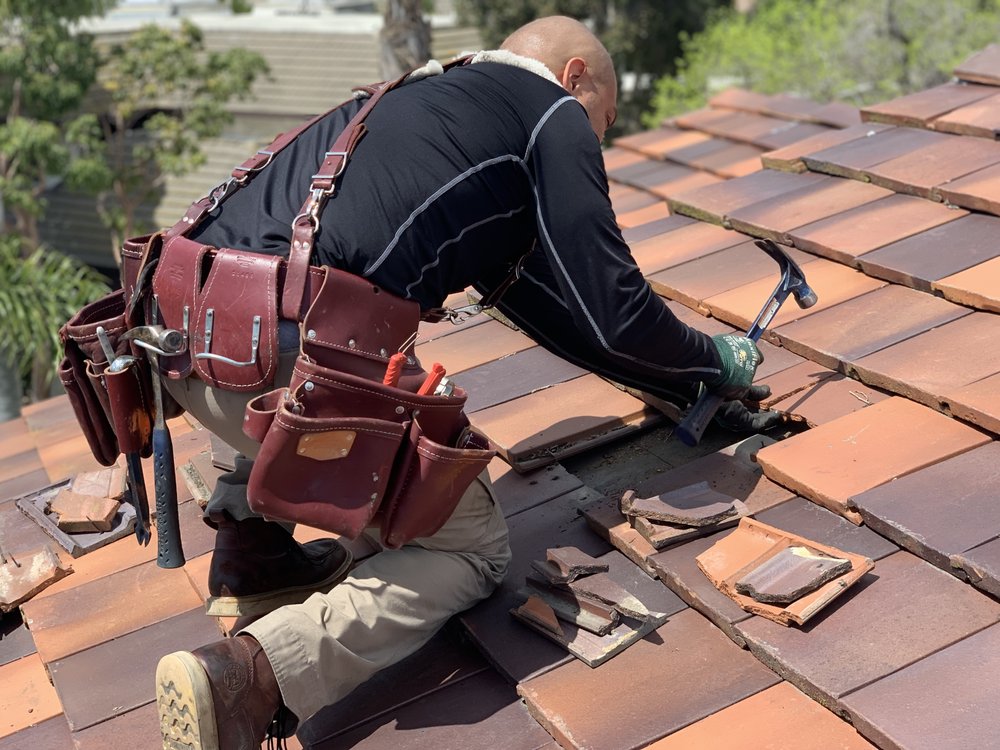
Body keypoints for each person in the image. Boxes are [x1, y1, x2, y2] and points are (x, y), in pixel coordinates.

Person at [154, 15, 776, 749]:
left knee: (283, 363)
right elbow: (611, 307)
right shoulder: (551, 113)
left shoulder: (426, 102)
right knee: (472, 548)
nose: (595, 143)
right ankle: (249, 678)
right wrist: (713, 361)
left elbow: (551, 305)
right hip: (291, 370)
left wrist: (667, 376)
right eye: (602, 124)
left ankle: (256, 561)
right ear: (575, 77)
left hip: (180, 342)